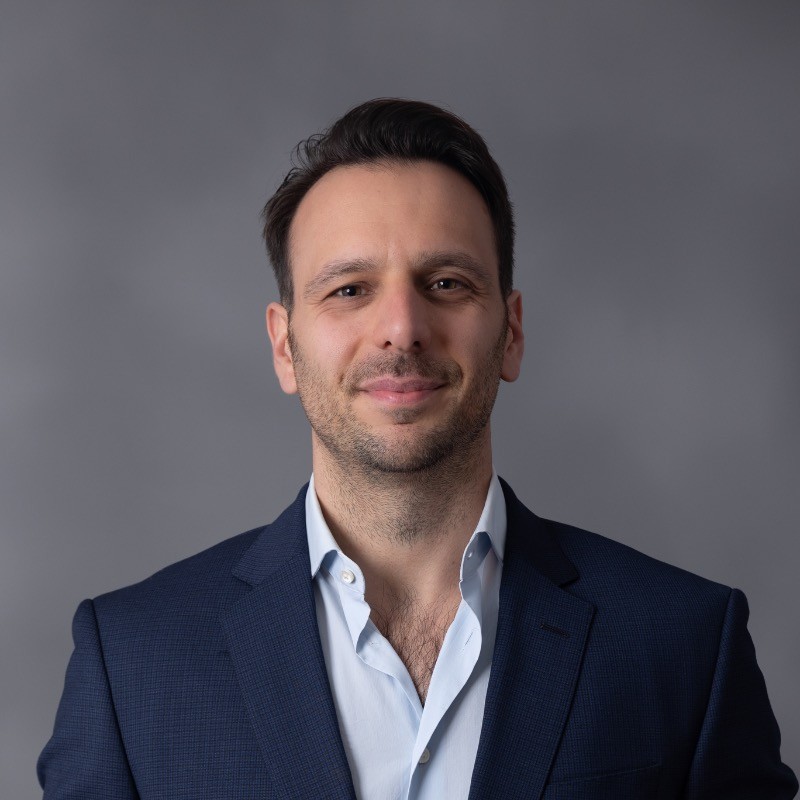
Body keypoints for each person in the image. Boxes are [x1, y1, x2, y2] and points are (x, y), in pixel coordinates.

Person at [38, 99, 796, 800]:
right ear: (283, 345)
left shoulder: (685, 644)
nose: (401, 327)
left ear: (513, 331)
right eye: (349, 290)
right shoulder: (133, 663)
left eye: (445, 281)